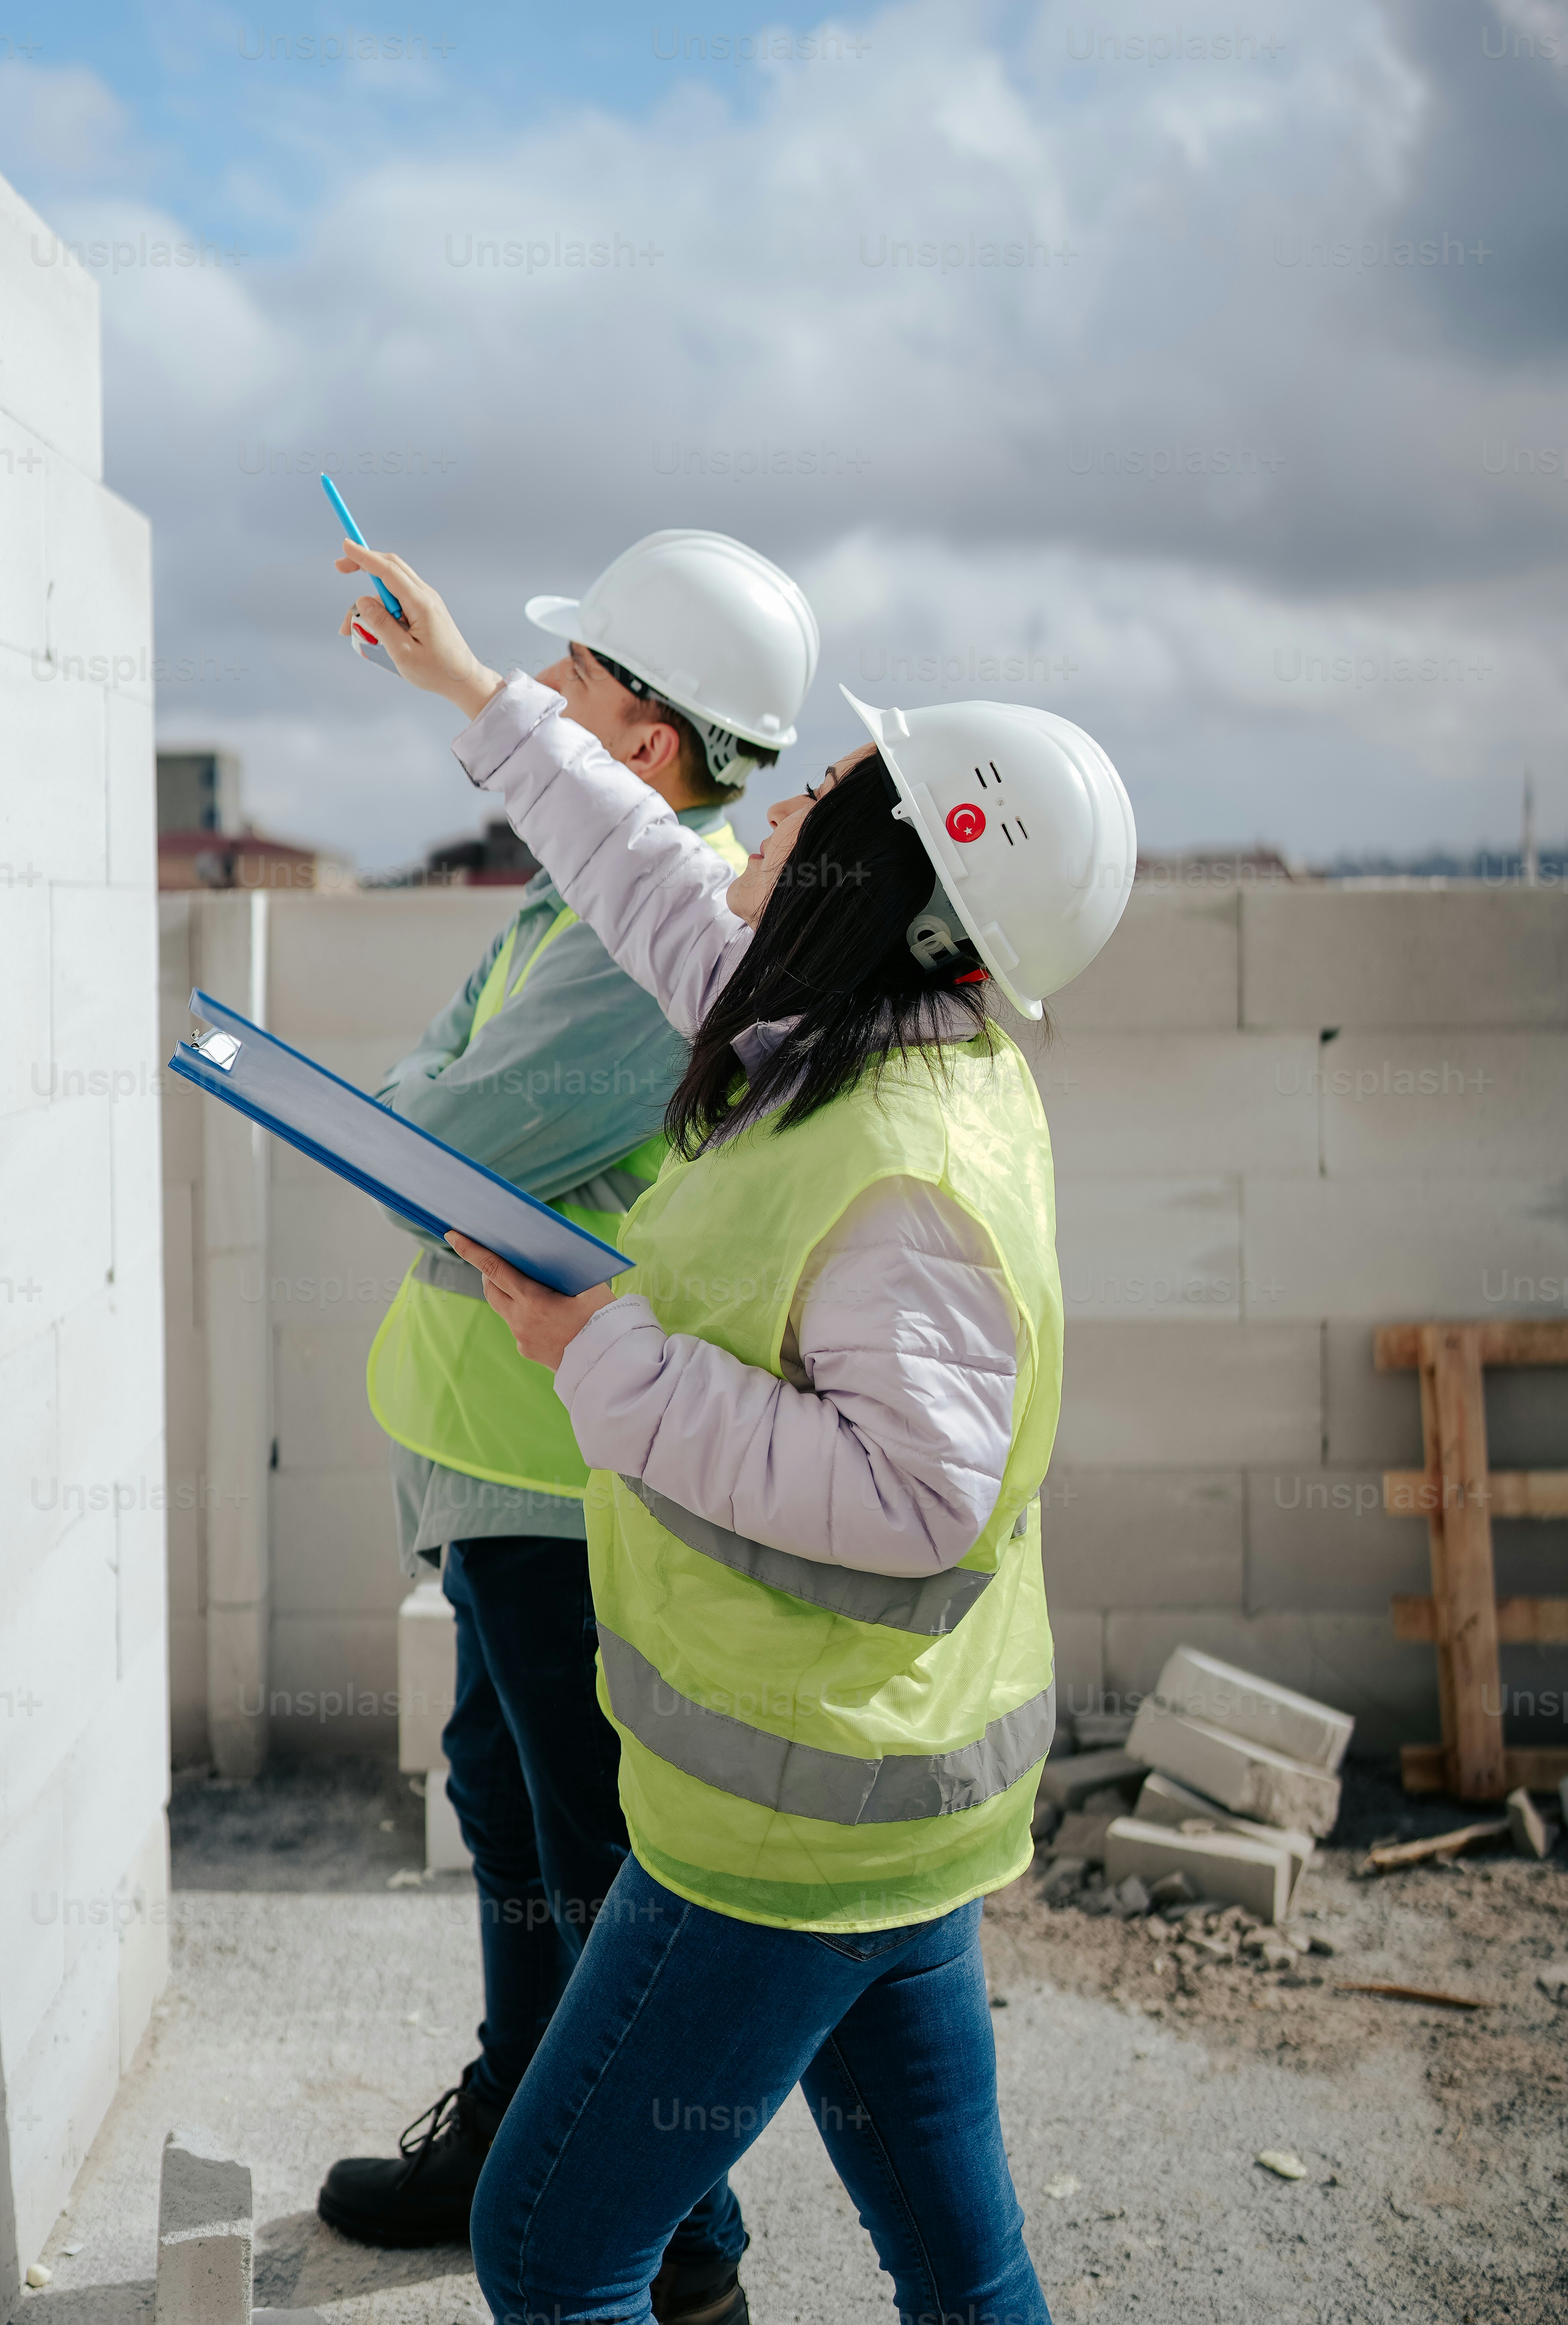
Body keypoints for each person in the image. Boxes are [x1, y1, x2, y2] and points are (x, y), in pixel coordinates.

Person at [334, 535, 1135, 2325]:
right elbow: (640, 872)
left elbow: (914, 1496)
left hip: (799, 1811)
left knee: (550, 2250)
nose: (769, 818)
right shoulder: (832, 1038)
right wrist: (477, 693)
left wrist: (604, 1357)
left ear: (889, 884)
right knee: (962, 2268)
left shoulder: (897, 1155)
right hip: (871, 1789)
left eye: (818, 805)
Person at [320, 534, 819, 2322]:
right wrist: (431, 1111)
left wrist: (429, 1115)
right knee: (510, 1808)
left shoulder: (635, 943)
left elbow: (432, 1146)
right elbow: (433, 1107)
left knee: (590, 1846)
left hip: (559, 1471)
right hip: (495, 1455)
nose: (541, 699)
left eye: (579, 680)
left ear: (651, 741)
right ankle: (512, 2138)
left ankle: (682, 2251)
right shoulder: (573, 899)